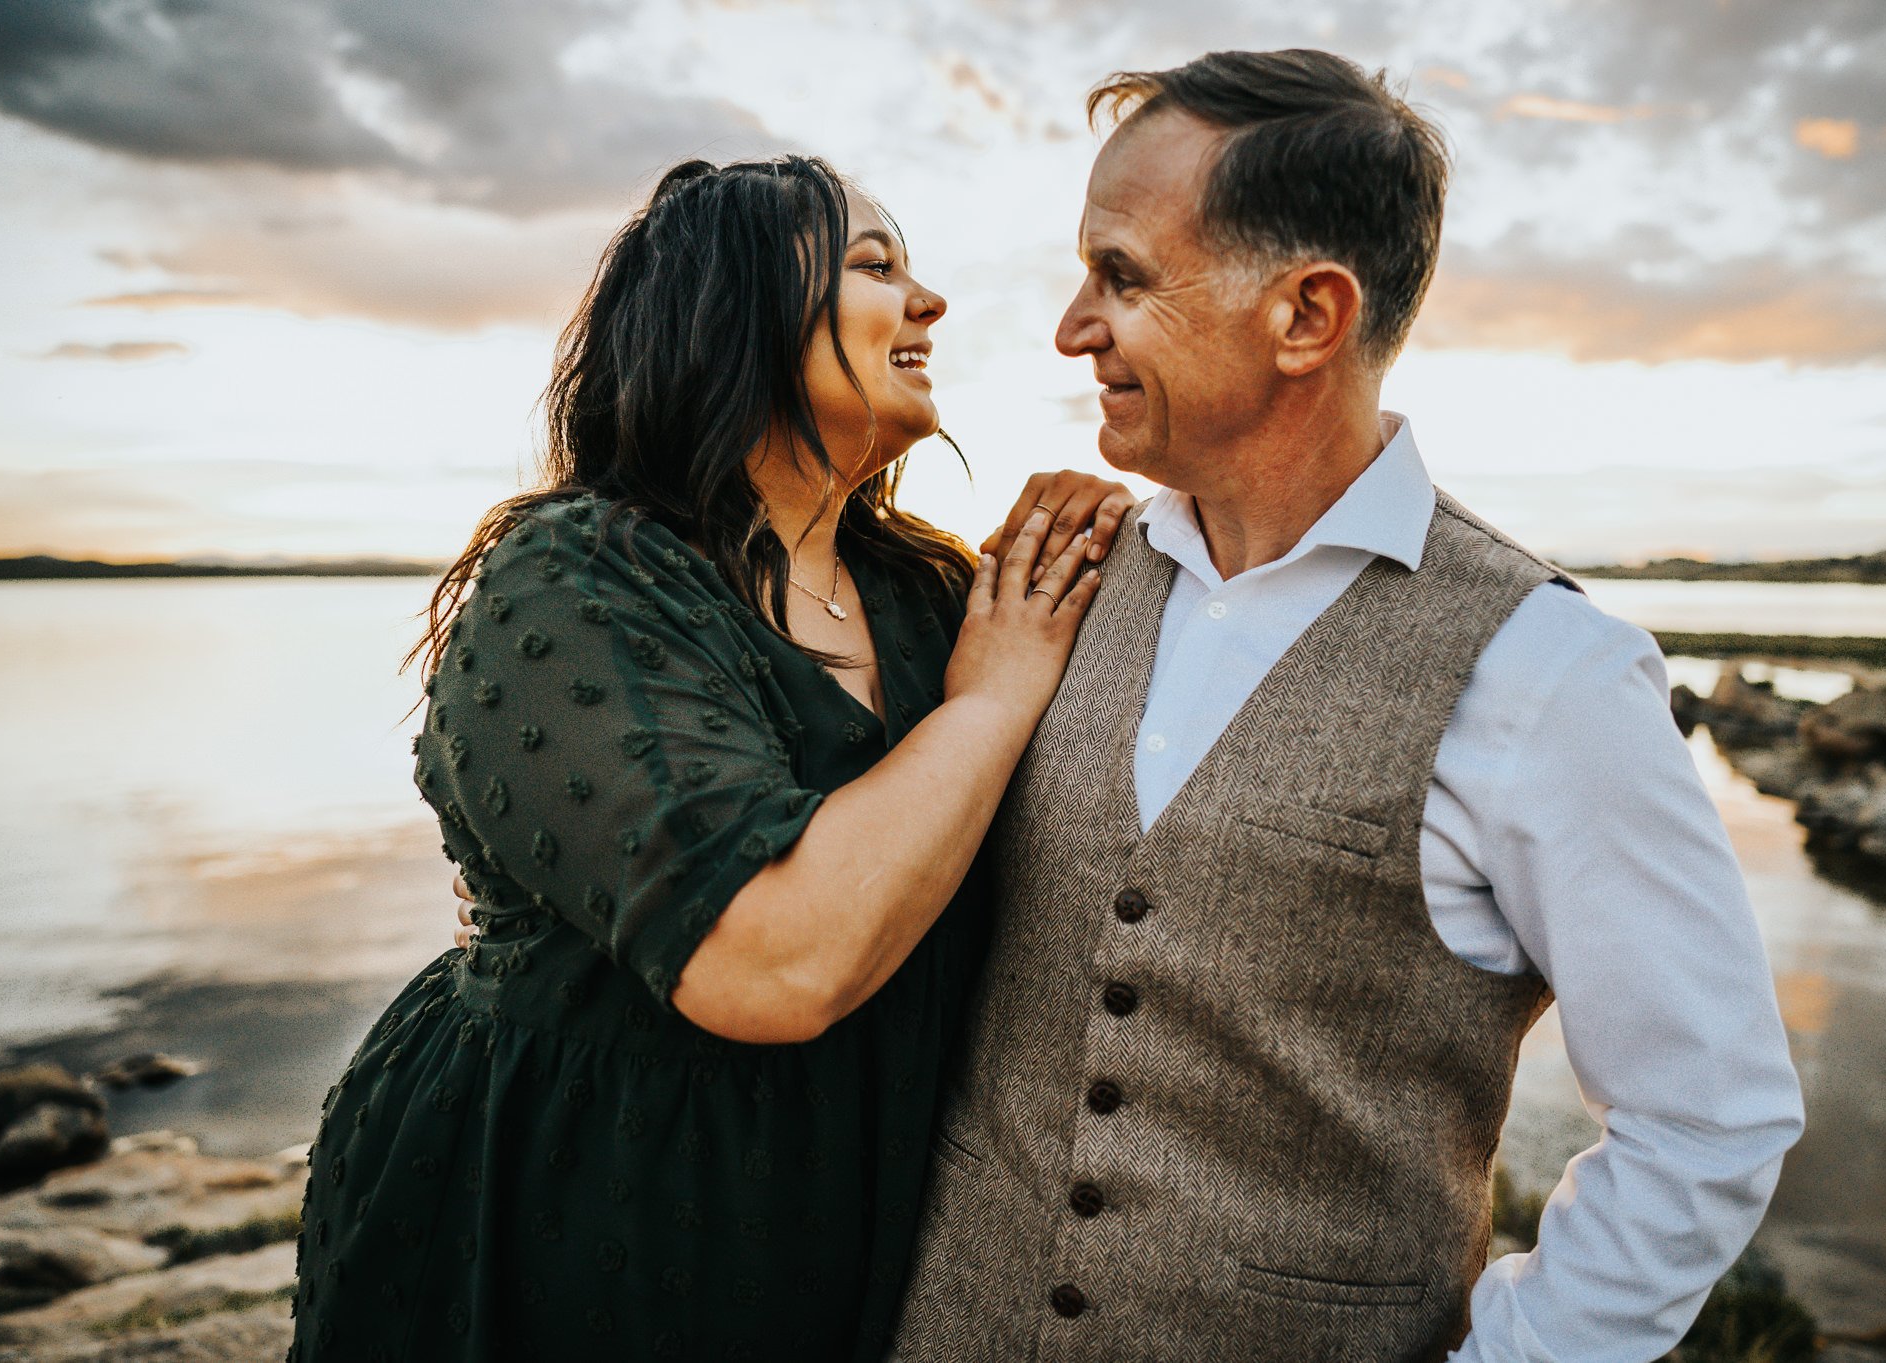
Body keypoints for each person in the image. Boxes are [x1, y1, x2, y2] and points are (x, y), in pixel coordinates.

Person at [886, 50, 1807, 1363]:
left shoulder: (1548, 671)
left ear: (1308, 315)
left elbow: (1707, 1114)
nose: (1071, 326)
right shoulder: (1054, 584)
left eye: (1124, 276)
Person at [289, 153, 1132, 1363]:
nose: (929, 301)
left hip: (858, 1218)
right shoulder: (576, 578)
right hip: (562, 1215)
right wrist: (993, 703)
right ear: (733, 312)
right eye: (874, 265)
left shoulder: (927, 594)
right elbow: (770, 959)